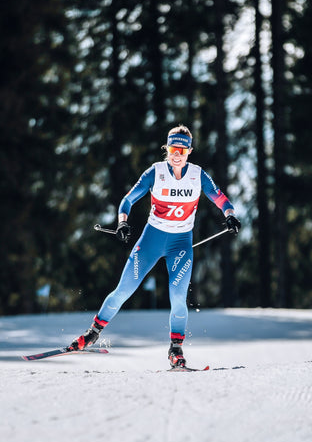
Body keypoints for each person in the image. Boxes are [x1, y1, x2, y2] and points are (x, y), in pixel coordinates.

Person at [67, 124, 241, 368]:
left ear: (189, 150)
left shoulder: (198, 175)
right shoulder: (155, 172)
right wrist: (123, 223)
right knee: (124, 289)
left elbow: (220, 198)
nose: (176, 154)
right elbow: (128, 200)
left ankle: (176, 349)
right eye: (172, 148)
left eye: (182, 149)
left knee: (178, 297)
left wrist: (230, 214)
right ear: (166, 149)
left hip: (181, 243)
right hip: (152, 239)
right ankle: (92, 334)